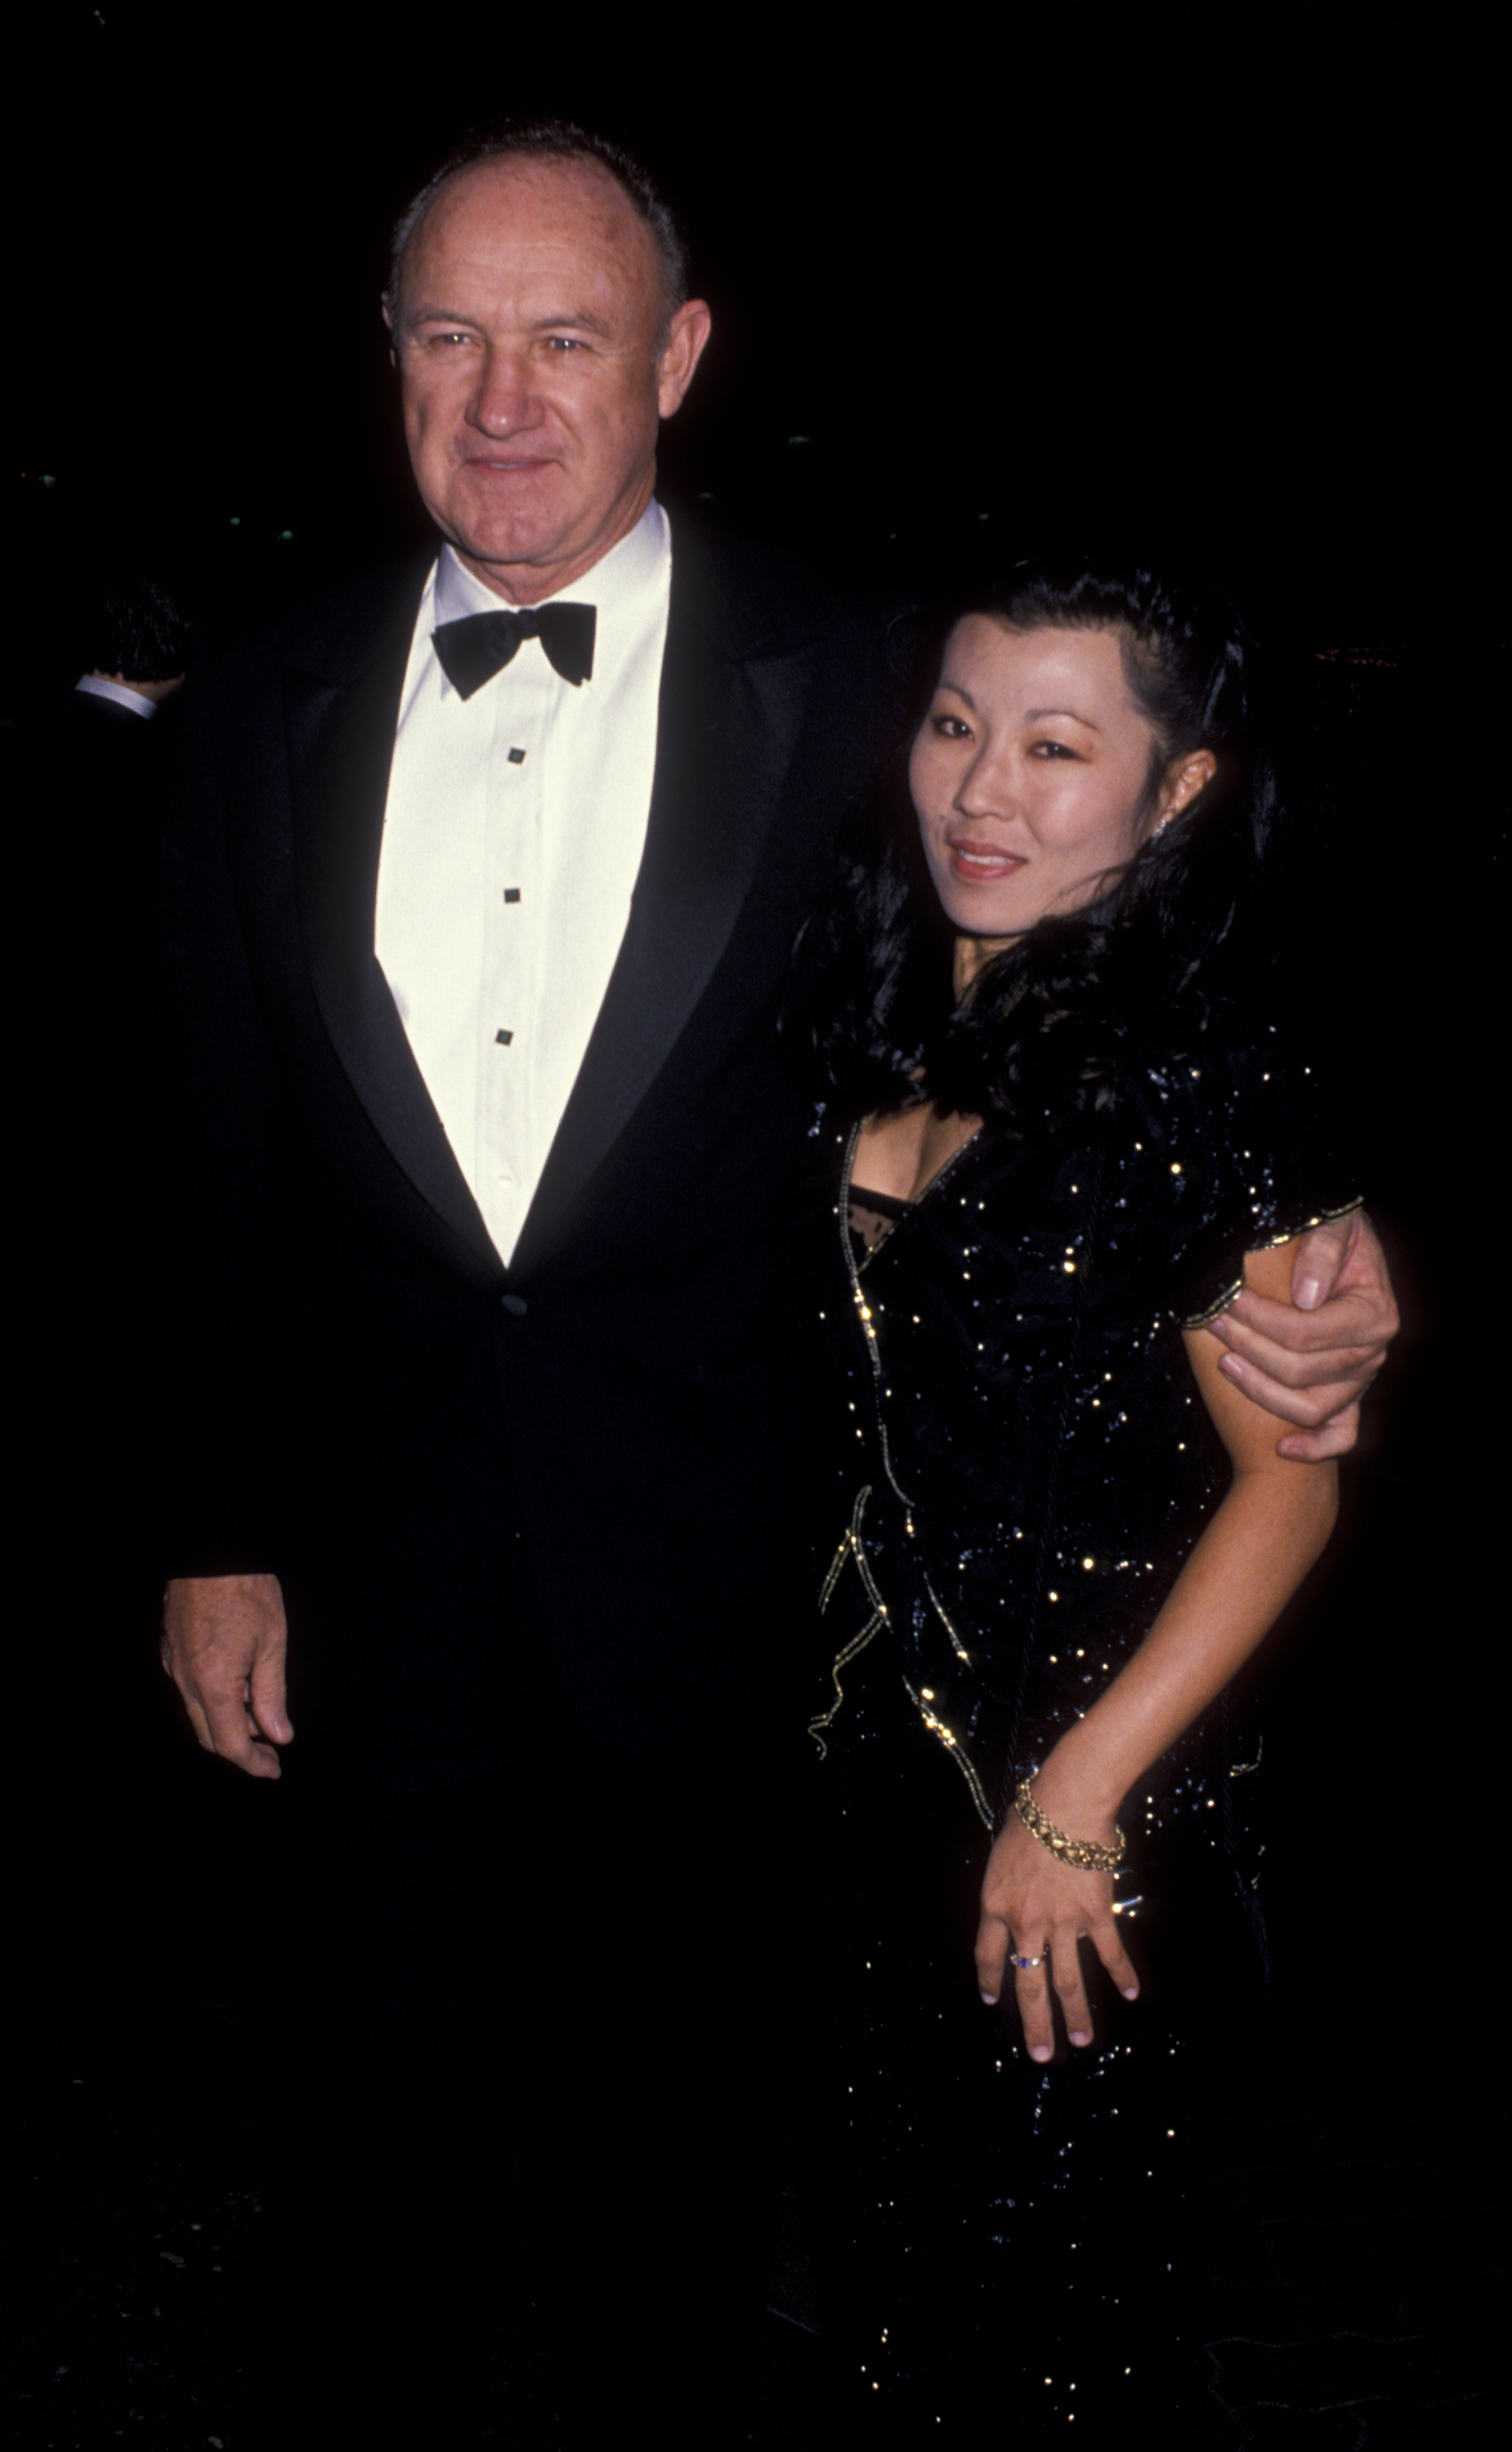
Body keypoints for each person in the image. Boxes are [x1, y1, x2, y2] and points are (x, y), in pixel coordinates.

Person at [148, 124, 1396, 2449]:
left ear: (677, 359)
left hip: (734, 1627)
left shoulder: (859, 678)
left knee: (682, 2208)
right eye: (450, 336)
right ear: (388, 359)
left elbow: (1108, 933)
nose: (502, 397)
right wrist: (212, 1520)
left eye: (566, 338)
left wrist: (1318, 1231)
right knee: (364, 2190)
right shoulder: (265, 690)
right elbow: (212, 1136)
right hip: (367, 1583)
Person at [798, 554, 1367, 2441]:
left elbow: (1291, 1496)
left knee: (1057, 2338)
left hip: (1087, 1819)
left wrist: (1081, 1801)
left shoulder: (1211, 1075)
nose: (980, 791)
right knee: (878, 2289)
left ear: (1178, 789)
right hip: (860, 1783)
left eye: (1057, 748)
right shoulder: (860, 990)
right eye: (957, 726)